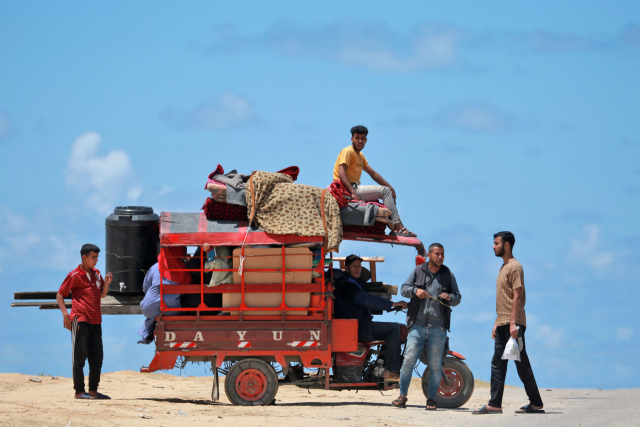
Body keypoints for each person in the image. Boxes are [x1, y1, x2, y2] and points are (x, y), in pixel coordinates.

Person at [474, 232, 545, 415]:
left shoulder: (515, 267)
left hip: (514, 324)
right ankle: (495, 404)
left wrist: (513, 324)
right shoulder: (503, 267)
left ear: (506, 245)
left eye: (496, 243)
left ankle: (535, 403)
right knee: (498, 363)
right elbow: (504, 299)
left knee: (521, 364)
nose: (493, 246)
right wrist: (497, 323)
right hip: (504, 322)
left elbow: (517, 296)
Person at [392, 243, 461, 409]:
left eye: (442, 254)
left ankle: (431, 399)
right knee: (408, 361)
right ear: (429, 255)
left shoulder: (448, 274)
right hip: (417, 327)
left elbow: (458, 297)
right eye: (437, 254)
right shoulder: (418, 271)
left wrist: (450, 297)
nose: (440, 257)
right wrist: (415, 291)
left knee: (436, 365)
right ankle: (402, 396)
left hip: (439, 329)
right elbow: (404, 289)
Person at [333, 254, 408, 381]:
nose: (357, 269)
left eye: (359, 266)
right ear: (347, 268)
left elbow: (365, 301)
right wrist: (391, 304)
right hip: (357, 327)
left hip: (356, 324)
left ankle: (383, 365)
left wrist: (388, 306)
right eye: (354, 266)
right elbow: (365, 300)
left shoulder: (351, 283)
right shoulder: (347, 285)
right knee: (394, 329)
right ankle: (390, 372)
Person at [332, 125, 416, 237]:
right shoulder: (348, 151)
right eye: (357, 138)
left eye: (362, 138)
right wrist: (352, 191)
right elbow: (341, 173)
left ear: (366, 140)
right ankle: (397, 227)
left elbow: (373, 174)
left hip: (354, 187)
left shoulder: (360, 156)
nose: (360, 141)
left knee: (387, 191)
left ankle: (395, 225)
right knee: (384, 191)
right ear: (352, 139)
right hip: (346, 189)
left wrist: (391, 187)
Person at [56, 244, 112, 400]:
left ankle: (93, 391)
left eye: (97, 258)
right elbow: (60, 294)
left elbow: (102, 295)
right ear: (84, 257)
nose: (96, 261)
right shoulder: (74, 275)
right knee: (79, 357)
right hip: (80, 319)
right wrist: (65, 315)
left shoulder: (96, 274)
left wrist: (106, 283)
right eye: (93, 257)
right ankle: (79, 392)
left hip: (96, 320)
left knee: (97, 357)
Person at [137, 246, 190, 344]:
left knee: (154, 309)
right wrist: (187, 263)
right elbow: (188, 292)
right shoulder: (184, 273)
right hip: (171, 312)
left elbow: (145, 288)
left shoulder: (155, 267)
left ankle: (151, 328)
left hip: (149, 309)